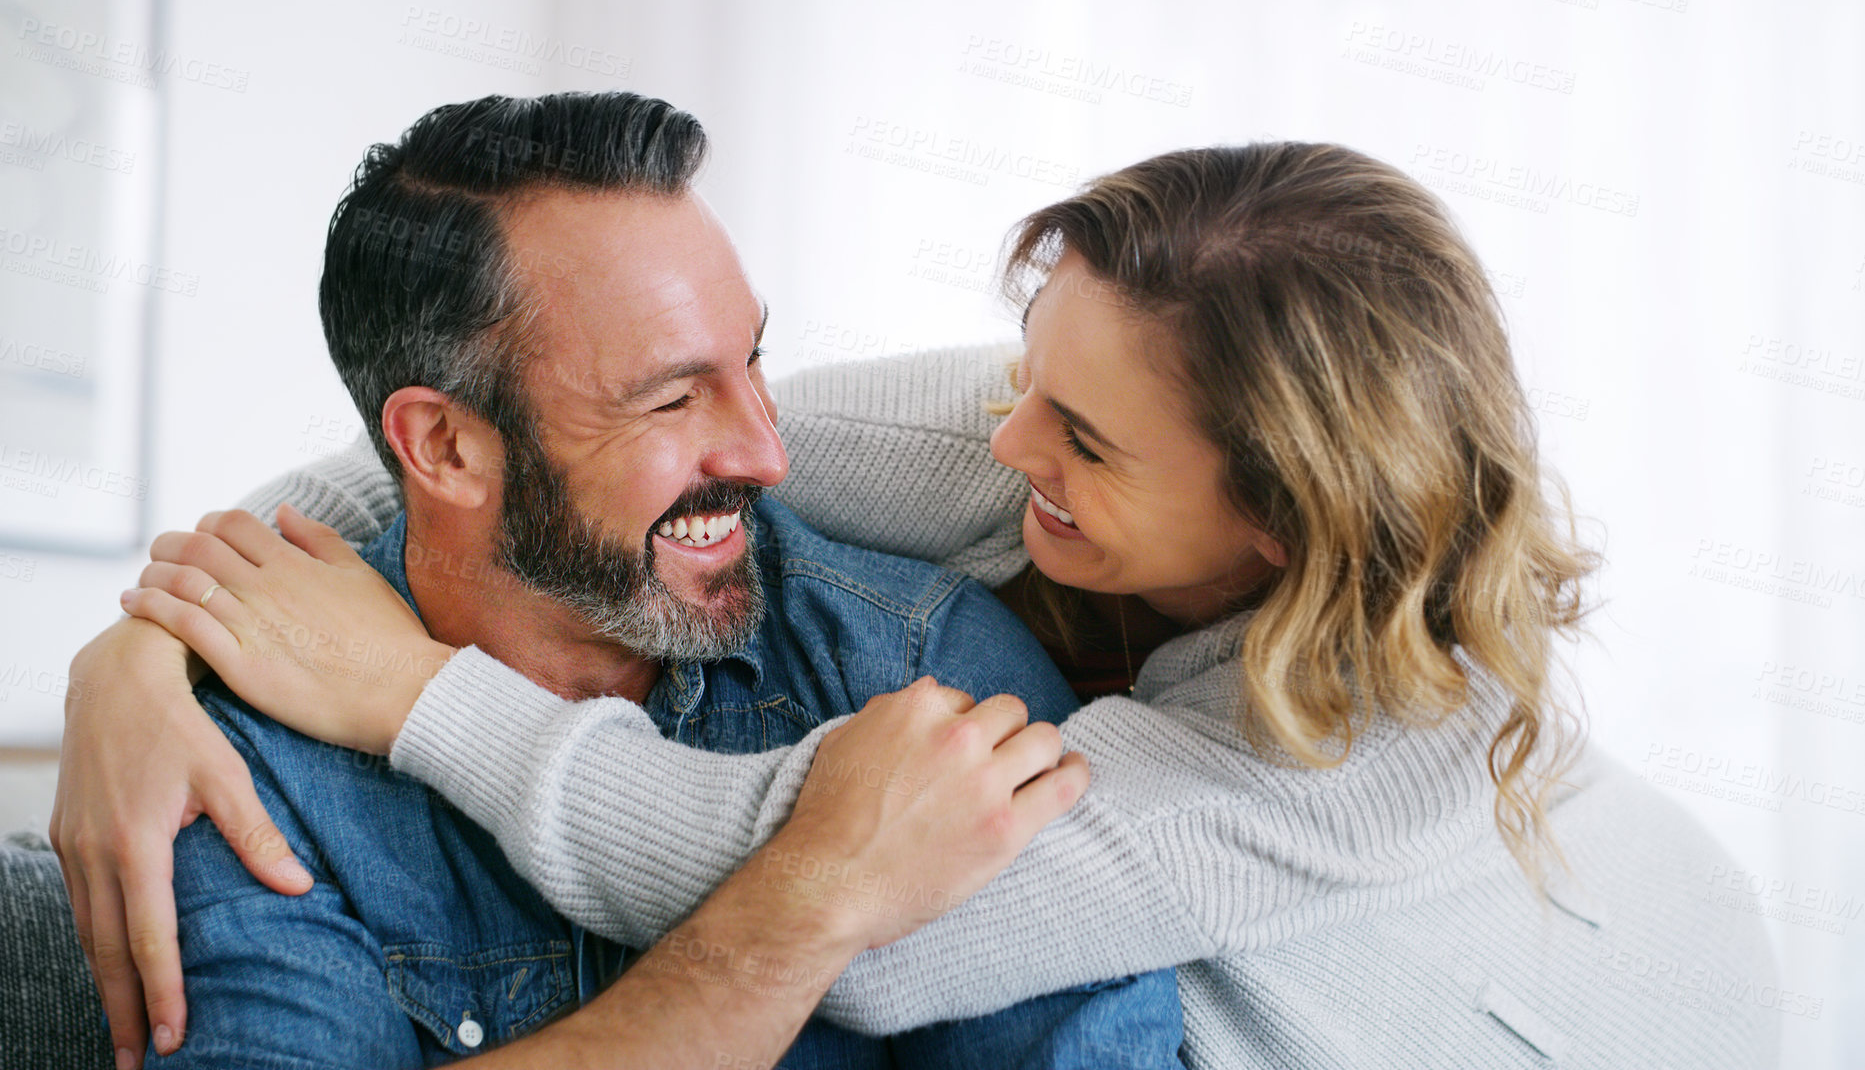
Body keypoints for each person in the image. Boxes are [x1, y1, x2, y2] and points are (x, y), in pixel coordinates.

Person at [82, 141, 1781, 1067]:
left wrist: (406, 697)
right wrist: (156, 637)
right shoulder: (1046, 427)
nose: (1003, 440)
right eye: (1027, 374)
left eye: (1081, 440)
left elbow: (881, 926)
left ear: (1273, 525)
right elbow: (533, 456)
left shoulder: (1362, 750)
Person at [35, 91, 1189, 1070]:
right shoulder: (233, 760)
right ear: (442, 448)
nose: (765, 457)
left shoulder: (920, 667)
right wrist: (796, 909)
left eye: (753, 363)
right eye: (671, 397)